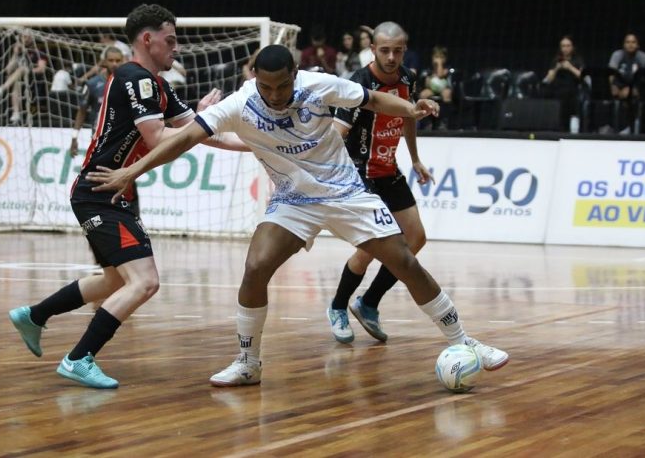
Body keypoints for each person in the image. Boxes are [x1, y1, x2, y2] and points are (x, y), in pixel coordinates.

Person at [86, 44, 509, 387]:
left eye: (282, 86)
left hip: (346, 193)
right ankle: (248, 362)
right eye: (266, 87)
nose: (274, 95)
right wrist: (134, 169)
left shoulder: (319, 85)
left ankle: (465, 341)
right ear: (255, 80)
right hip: (292, 200)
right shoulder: (240, 103)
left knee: (404, 260)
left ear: (295, 75)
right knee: (255, 266)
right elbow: (186, 138)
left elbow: (372, 98)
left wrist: (412, 109)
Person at [7, 4, 246, 389]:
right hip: (100, 192)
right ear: (147, 39)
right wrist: (203, 125)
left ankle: (33, 315)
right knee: (145, 282)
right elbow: (160, 138)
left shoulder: (158, 86)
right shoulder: (136, 78)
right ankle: (78, 358)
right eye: (170, 40)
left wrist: (257, 145)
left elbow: (203, 133)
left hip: (113, 192)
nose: (177, 48)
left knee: (114, 282)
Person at [328, 22, 432, 344]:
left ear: (404, 49)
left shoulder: (408, 78)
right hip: (360, 173)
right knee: (373, 247)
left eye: (397, 51)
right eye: (384, 50)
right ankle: (337, 306)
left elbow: (409, 117)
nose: (391, 57)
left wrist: (414, 158)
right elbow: (336, 133)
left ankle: (369, 303)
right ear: (372, 49)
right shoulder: (358, 84)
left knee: (415, 238)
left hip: (389, 169)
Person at [0, 33, 48, 124]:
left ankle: (1, 89)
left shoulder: (38, 51)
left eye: (27, 36)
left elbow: (41, 69)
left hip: (35, 79)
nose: (25, 39)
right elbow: (8, 70)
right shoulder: (19, 52)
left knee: (22, 68)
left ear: (32, 38)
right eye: (23, 37)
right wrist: (15, 54)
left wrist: (28, 70)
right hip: (20, 80)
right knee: (17, 83)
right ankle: (16, 113)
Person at [541, 35, 584, 132]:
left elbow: (582, 76)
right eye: (563, 46)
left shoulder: (577, 60)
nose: (565, 48)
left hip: (572, 91)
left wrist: (570, 67)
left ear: (572, 47)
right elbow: (548, 79)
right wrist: (556, 68)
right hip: (557, 91)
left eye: (568, 46)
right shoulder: (556, 60)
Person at [608, 33, 645, 101]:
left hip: (636, 86)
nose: (630, 45)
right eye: (627, 42)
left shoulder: (642, 57)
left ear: (638, 45)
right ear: (624, 45)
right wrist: (613, 87)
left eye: (633, 42)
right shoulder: (617, 55)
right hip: (619, 85)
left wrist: (634, 89)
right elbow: (611, 74)